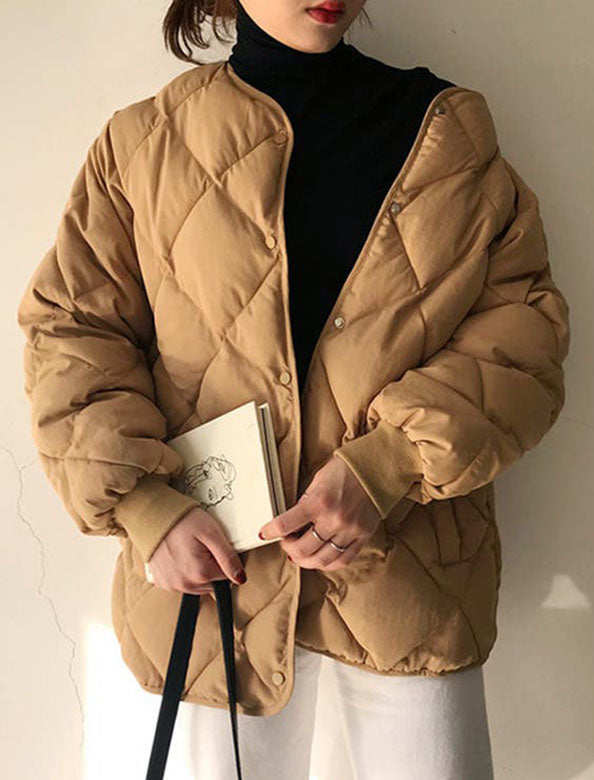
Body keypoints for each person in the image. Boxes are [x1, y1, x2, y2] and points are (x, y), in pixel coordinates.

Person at [17, 0, 570, 778]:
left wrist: (389, 464)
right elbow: (73, 332)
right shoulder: (142, 144)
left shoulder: (449, 135)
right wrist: (143, 505)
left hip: (408, 585)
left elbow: (523, 336)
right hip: (210, 593)